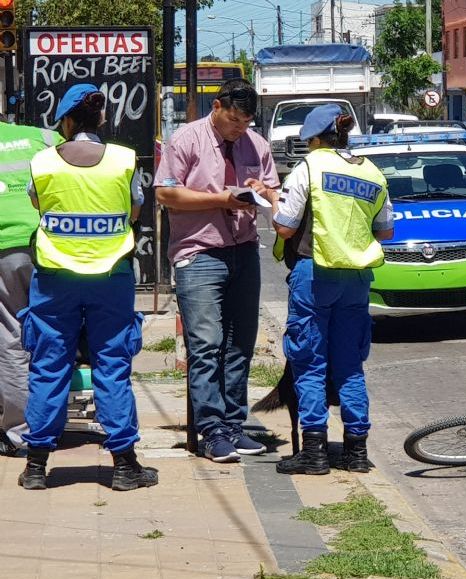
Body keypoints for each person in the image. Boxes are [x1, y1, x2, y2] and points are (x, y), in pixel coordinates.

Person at [17, 83, 157, 491]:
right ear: (101, 118)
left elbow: (38, 205)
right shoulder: (124, 161)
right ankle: (125, 466)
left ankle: (37, 466)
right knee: (112, 366)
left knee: (48, 366)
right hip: (110, 277)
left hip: (55, 278)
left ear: (65, 120)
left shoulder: (43, 163)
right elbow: (133, 210)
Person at [154, 79, 279, 463]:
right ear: (218, 108)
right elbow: (165, 192)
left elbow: (276, 193)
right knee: (206, 345)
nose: (240, 128)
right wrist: (220, 199)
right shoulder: (186, 140)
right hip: (200, 253)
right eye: (235, 120)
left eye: (246, 122)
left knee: (240, 343)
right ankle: (210, 430)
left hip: (243, 250)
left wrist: (264, 190)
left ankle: (233, 424)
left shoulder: (256, 145)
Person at [266, 104, 394, 475]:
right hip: (356, 280)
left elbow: (286, 227)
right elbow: (386, 231)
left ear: (318, 139)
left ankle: (315, 453)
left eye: (310, 141)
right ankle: (356, 452)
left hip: (315, 275)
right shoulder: (372, 172)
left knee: (309, 364)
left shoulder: (310, 168)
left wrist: (272, 200)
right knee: (350, 366)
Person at [0, 120, 62, 457]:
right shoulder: (42, 137)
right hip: (49, 242)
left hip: (4, 246)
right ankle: (51, 424)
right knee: (51, 333)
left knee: (10, 335)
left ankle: (21, 432)